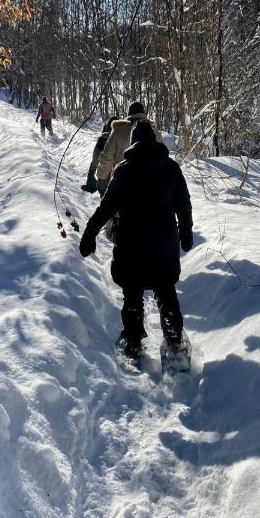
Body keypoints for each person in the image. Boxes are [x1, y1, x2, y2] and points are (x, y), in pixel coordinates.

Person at [79, 119, 193, 361]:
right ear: (154, 141)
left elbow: (106, 208)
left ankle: (132, 343)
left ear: (132, 143)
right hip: (164, 245)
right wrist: (186, 232)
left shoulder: (123, 171)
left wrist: (90, 234)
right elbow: (184, 205)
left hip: (132, 246)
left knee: (132, 292)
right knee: (165, 291)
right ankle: (174, 338)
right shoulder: (172, 168)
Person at [95, 100, 159, 194]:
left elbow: (107, 157)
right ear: (143, 114)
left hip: (122, 183)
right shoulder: (155, 133)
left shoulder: (118, 131)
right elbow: (161, 158)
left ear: (129, 114)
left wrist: (102, 178)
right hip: (149, 185)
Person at [81, 116, 118, 193]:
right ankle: (97, 185)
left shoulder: (107, 128)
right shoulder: (120, 130)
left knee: (94, 167)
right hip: (105, 148)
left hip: (101, 146)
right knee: (104, 167)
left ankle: (92, 185)